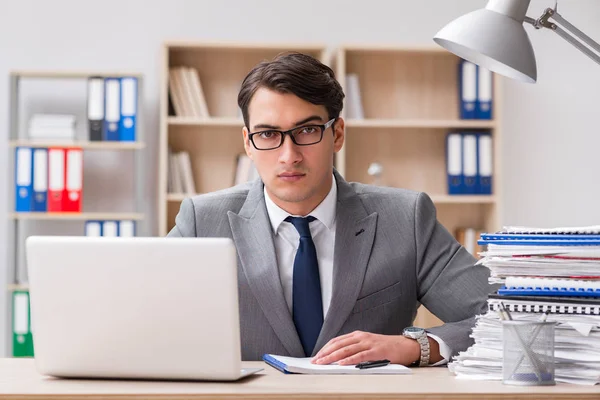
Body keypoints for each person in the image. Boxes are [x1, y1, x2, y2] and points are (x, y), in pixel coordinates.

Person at [167, 51, 492, 367]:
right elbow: (142, 318)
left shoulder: (406, 218)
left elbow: (510, 320)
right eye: (268, 134)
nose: (288, 155)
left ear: (336, 133)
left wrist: (414, 346)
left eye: (306, 130)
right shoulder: (202, 220)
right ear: (248, 143)